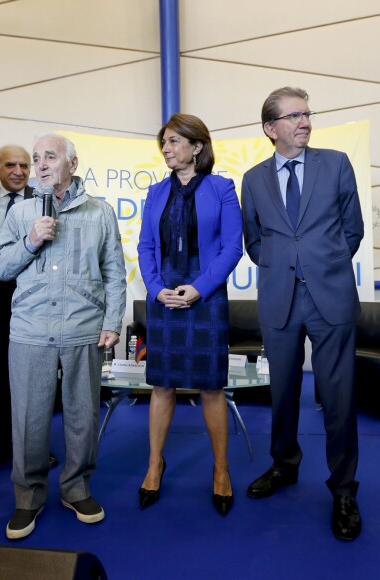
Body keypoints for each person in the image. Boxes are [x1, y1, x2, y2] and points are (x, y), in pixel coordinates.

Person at [241, 87, 364, 540]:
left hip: (330, 295)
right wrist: (283, 267)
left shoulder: (336, 164)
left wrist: (322, 263)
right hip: (279, 298)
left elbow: (353, 229)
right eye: (294, 116)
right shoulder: (253, 179)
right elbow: (254, 241)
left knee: (339, 396)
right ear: (271, 128)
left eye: (307, 113)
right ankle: (283, 466)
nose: (305, 121)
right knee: (283, 392)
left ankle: (345, 488)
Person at [0, 133, 126, 539]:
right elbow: (0, 269)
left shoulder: (100, 213)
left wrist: (112, 322)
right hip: (30, 332)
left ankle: (76, 488)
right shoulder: (19, 213)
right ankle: (28, 498)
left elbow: (115, 273)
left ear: (72, 163)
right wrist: (32, 240)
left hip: (83, 329)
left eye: (50, 157)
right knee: (29, 420)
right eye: (36, 158)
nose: (41, 165)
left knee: (83, 415)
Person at [137, 113, 243, 516]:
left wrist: (198, 288)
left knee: (211, 387)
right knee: (161, 385)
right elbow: (146, 246)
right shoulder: (155, 192)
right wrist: (155, 287)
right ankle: (154, 465)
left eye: (175, 141)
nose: (166, 148)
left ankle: (220, 471)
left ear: (197, 146)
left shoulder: (222, 188)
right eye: (164, 142)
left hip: (207, 294)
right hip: (163, 294)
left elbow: (233, 247)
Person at [0, 145, 58, 478]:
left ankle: (35, 448)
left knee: (35, 381)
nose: (19, 171)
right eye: (11, 164)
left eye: (25, 164)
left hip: (34, 303)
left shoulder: (46, 199)